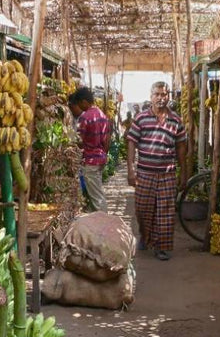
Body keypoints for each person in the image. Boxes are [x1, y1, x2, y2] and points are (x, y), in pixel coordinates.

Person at [126, 82, 188, 261]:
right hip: (145, 173)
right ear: (151, 96)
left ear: (168, 96)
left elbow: (181, 148)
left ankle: (161, 246)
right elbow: (132, 143)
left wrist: (183, 173)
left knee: (166, 212)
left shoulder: (176, 120)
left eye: (164, 94)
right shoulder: (141, 118)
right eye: (157, 94)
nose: (161, 97)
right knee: (142, 210)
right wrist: (131, 170)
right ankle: (145, 236)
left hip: (167, 174)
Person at [69, 86, 112, 212]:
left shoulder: (85, 117)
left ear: (84, 101)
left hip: (91, 160)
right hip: (100, 158)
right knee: (97, 191)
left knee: (96, 197)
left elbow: (79, 141)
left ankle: (103, 222)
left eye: (79, 104)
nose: (79, 107)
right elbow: (107, 139)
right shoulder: (102, 115)